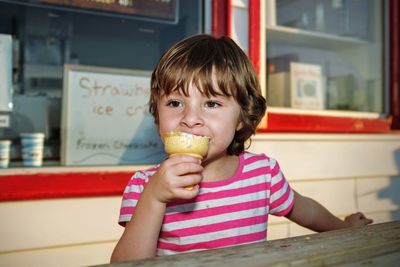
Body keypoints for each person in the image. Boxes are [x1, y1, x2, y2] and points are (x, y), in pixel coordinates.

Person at [110, 34, 373, 262]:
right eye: (175, 103)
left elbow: (305, 210)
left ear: (241, 117)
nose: (190, 118)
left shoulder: (262, 174)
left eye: (212, 103)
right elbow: (126, 262)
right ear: (157, 112)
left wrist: (344, 228)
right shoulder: (146, 185)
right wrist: (155, 198)